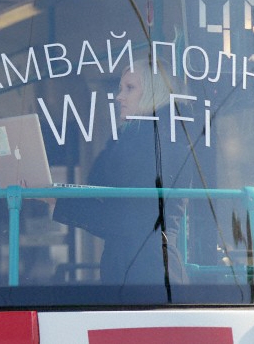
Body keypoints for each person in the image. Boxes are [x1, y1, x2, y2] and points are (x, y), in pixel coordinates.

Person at [54, 58, 198, 286]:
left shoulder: (155, 143)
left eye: (130, 88)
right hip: (139, 270)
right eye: (121, 88)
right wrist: (57, 195)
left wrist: (58, 200)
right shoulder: (141, 139)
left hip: (147, 275)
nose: (119, 96)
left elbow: (130, 222)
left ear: (154, 92)